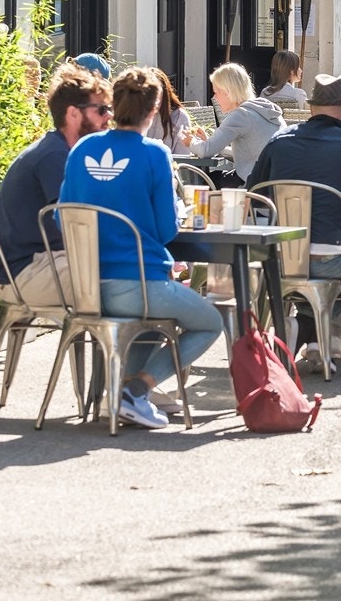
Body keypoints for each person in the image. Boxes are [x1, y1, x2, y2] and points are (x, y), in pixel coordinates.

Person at [59, 67, 227, 430]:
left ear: (112, 105)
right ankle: (135, 389)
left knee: (152, 323)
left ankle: (124, 394)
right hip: (140, 284)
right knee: (210, 322)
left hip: (87, 285)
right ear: (154, 111)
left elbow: (63, 218)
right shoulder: (155, 154)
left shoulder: (82, 148)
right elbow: (167, 230)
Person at [248, 74, 341, 372]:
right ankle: (313, 332)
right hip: (330, 254)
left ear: (311, 108)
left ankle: (312, 336)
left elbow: (254, 194)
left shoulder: (279, 140)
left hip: (281, 256)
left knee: (318, 280)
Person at [0, 64, 113, 307]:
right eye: (101, 109)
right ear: (73, 114)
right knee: (129, 282)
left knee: (134, 275)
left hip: (46, 262)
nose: (109, 116)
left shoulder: (65, 151)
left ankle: (121, 344)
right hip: (27, 271)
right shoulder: (54, 156)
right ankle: (125, 345)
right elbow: (77, 223)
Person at [192, 62, 285, 187]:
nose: (214, 98)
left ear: (228, 91)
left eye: (216, 92)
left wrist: (190, 141)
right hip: (278, 182)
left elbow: (205, 150)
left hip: (256, 186)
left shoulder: (241, 115)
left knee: (207, 183)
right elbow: (252, 154)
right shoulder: (265, 110)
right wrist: (214, 145)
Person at [144, 67, 195, 155]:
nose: (150, 99)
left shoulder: (179, 117)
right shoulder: (134, 116)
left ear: (164, 93)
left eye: (155, 93)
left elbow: (183, 158)